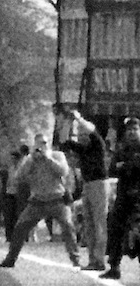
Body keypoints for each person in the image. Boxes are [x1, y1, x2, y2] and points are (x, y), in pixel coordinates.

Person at [0, 132, 81, 269]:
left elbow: (63, 171)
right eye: (39, 143)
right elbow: (19, 176)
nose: (42, 146)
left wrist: (48, 159)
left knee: (68, 226)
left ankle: (76, 259)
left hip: (57, 199)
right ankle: (10, 259)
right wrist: (31, 161)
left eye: (44, 143)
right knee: (20, 228)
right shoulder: (30, 159)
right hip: (37, 201)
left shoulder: (57, 156)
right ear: (34, 145)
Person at [59, 108, 109, 272]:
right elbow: (63, 141)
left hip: (99, 184)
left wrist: (78, 119)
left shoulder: (98, 145)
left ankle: (100, 259)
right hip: (87, 185)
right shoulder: (82, 149)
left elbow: (92, 130)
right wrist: (67, 122)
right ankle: (92, 260)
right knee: (89, 223)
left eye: (83, 134)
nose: (81, 137)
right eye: (79, 135)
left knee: (99, 222)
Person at [103, 117, 140, 280]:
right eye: (129, 130)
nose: (132, 132)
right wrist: (129, 165)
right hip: (124, 195)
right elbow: (112, 169)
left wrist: (125, 165)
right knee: (115, 228)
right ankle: (114, 266)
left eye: (135, 129)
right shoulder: (121, 149)